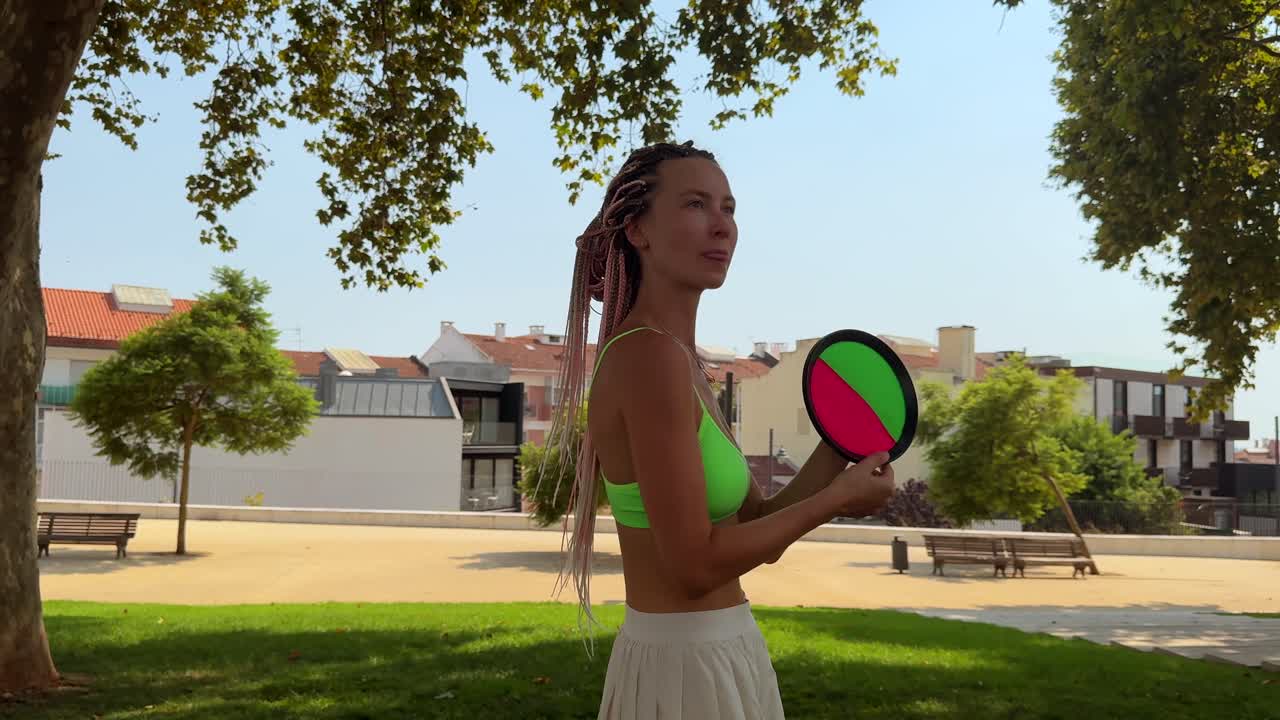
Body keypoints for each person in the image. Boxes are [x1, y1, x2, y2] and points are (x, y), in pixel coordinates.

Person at [541, 140, 895, 720]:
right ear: (638, 231)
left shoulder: (682, 361)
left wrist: (839, 449)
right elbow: (695, 566)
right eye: (695, 204)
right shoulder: (648, 359)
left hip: (723, 650)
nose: (722, 226)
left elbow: (753, 525)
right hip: (685, 667)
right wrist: (836, 501)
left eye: (729, 208)